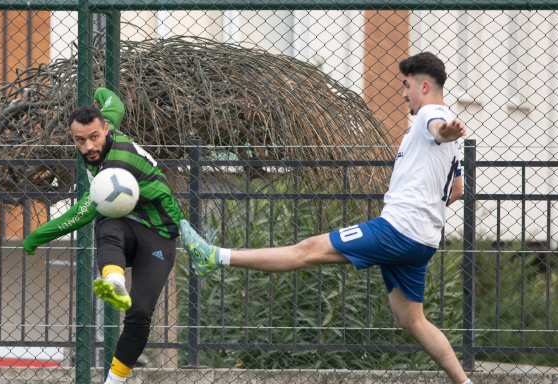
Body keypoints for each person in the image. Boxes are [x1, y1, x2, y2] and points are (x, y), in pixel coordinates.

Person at [180, 52, 472, 384]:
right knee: (412, 321)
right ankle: (465, 383)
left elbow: (439, 128)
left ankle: (212, 256)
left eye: (406, 86)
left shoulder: (430, 116)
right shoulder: (444, 138)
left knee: (307, 250)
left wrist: (445, 132)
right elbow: (457, 190)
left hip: (398, 230)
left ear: (423, 85)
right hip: (423, 240)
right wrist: (425, 200)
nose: (403, 94)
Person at [22, 88, 185, 384]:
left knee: (138, 313)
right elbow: (115, 104)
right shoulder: (105, 125)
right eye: (80, 140)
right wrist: (100, 92)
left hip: (159, 232)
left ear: (105, 130)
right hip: (124, 222)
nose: (88, 146)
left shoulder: (114, 165)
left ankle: (114, 381)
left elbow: (79, 214)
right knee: (108, 222)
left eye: (94, 137)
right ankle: (114, 281)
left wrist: (35, 237)